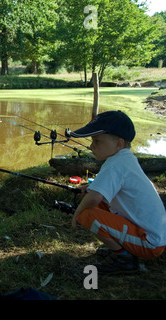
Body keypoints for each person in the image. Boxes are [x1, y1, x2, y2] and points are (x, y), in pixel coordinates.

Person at [70, 110, 166, 275]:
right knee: (94, 202)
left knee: (88, 213)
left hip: (150, 244)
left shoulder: (115, 164)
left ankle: (124, 259)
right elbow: (102, 190)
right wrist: (92, 188)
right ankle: (123, 249)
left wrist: (76, 215)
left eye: (97, 141)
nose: (91, 146)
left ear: (119, 143)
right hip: (153, 236)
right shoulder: (125, 158)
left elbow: (94, 198)